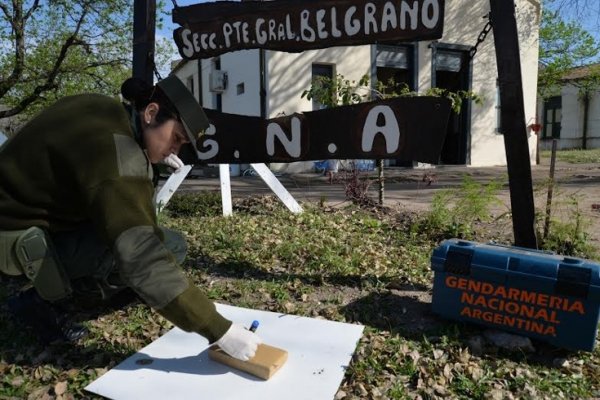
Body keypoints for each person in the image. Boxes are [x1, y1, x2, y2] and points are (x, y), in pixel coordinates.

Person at [0, 76, 261, 361]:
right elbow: (140, 252)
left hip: (39, 220)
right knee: (141, 257)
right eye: (176, 139)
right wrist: (219, 330)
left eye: (182, 145)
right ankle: (40, 304)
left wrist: (151, 166)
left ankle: (54, 294)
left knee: (172, 245)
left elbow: (133, 210)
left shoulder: (102, 110)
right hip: (14, 239)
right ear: (150, 113)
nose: (176, 150)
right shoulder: (114, 150)